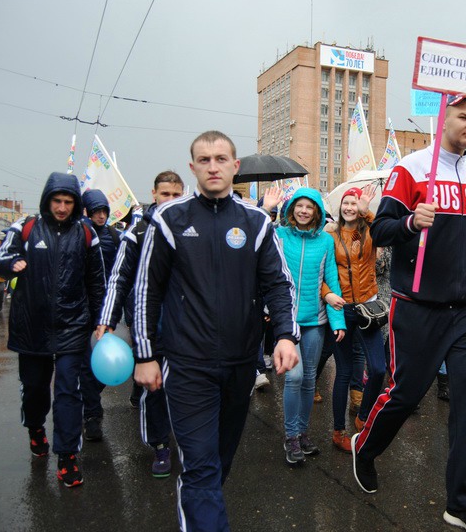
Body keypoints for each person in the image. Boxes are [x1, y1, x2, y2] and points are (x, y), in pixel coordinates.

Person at [131, 131, 299, 531]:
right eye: (204, 160)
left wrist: (285, 335)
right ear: (193, 168)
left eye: (221, 159)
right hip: (187, 365)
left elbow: (279, 284)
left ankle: (198, 511)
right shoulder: (169, 219)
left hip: (240, 365)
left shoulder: (256, 222)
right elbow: (146, 290)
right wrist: (145, 355)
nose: (213, 167)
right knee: (201, 467)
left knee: (218, 463)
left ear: (234, 166)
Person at [356, 94, 466, 532]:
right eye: (463, 117)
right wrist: (410, 223)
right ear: (443, 118)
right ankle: (365, 446)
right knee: (405, 394)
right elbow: (380, 231)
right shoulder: (411, 168)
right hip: (418, 308)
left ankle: (461, 503)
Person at [0, 172, 106, 488]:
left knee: (68, 392)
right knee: (35, 388)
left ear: (75, 203)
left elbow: (97, 282)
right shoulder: (26, 227)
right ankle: (36, 428)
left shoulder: (86, 233)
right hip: (32, 328)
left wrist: (101, 322)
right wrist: (10, 264)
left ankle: (67, 457)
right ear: (47, 200)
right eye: (57, 201)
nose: (62, 207)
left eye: (68, 202)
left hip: (73, 327)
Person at [96, 171, 184, 477]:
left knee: (188, 388)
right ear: (154, 194)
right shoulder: (138, 231)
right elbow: (119, 276)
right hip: (150, 326)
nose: (170, 200)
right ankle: (160, 446)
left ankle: (189, 443)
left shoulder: (192, 228)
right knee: (155, 388)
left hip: (188, 327)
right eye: (165, 194)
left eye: (176, 195)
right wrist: (108, 318)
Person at [275, 186, 345, 462]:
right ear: (292, 209)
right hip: (287, 321)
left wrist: (338, 321)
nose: (304, 211)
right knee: (293, 377)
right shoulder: (280, 235)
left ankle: (303, 433)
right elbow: (266, 270)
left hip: (315, 320)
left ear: (317, 211)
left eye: (309, 207)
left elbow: (332, 280)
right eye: (299, 206)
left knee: (308, 380)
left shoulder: (325, 241)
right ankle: (291, 436)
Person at [325, 185, 386, 444]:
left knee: (378, 368)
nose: (349, 207)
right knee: (344, 372)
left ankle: (363, 415)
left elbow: (386, 234)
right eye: (346, 203)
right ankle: (338, 431)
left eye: (354, 203)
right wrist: (327, 294)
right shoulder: (330, 234)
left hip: (367, 309)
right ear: (340, 207)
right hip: (341, 309)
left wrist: (367, 212)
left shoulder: (370, 230)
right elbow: (320, 270)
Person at [80, 189, 120, 441]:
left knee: (109, 360)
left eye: (104, 211)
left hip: (107, 308)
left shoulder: (114, 236)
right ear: (87, 211)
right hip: (81, 308)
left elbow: (121, 272)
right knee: (85, 363)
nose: (101, 216)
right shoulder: (79, 233)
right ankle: (92, 414)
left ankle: (90, 395)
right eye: (96, 211)